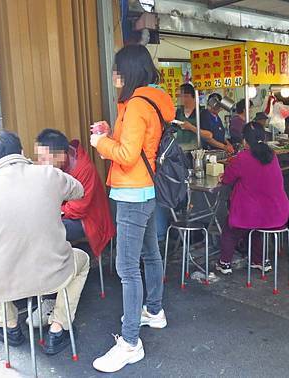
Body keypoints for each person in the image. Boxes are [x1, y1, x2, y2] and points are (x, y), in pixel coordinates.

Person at [0, 130, 89, 356]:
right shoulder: (49, 175)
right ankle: (59, 328)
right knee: (83, 260)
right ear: (21, 152)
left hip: (6, 277)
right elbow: (78, 190)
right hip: (52, 272)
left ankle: (9, 326)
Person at [90, 44, 170, 373]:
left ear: (130, 71)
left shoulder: (137, 104)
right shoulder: (151, 99)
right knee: (150, 255)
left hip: (132, 193)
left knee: (126, 268)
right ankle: (154, 310)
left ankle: (130, 343)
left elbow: (126, 155)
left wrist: (99, 144)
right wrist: (110, 133)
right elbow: (136, 145)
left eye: (118, 69)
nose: (114, 75)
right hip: (146, 191)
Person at [215, 123, 289, 275]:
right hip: (276, 213)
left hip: (251, 214)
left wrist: (221, 176)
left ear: (245, 141)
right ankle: (260, 260)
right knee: (255, 228)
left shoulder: (242, 157)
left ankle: (224, 263)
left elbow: (227, 179)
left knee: (231, 230)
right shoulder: (272, 155)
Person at [35, 129, 115, 248]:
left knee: (46, 228)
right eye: (38, 157)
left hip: (88, 220)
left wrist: (50, 211)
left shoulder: (84, 169)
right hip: (64, 213)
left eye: (43, 158)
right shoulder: (53, 167)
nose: (39, 163)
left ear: (61, 156)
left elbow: (78, 209)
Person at [174, 83, 213, 151]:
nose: (182, 99)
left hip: (196, 153)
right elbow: (173, 130)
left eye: (185, 96)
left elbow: (209, 135)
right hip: (180, 152)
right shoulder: (179, 112)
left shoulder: (202, 113)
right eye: (179, 96)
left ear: (194, 97)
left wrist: (191, 127)